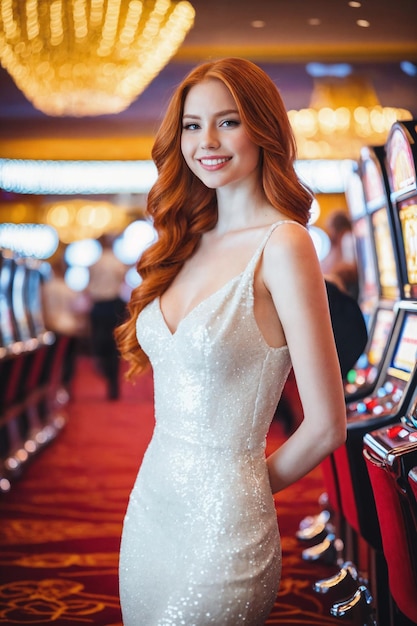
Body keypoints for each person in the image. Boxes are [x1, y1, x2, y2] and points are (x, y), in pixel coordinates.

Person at [115, 58, 347, 625]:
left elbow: (326, 425)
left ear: (263, 128)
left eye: (228, 122)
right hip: (149, 509)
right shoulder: (184, 240)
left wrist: (239, 489)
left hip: (227, 522)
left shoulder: (285, 244)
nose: (206, 142)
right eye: (192, 126)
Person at [87, 235, 127, 399]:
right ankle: (113, 382)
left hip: (98, 306)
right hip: (114, 306)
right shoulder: (119, 262)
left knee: (100, 344)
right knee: (113, 346)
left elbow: (88, 286)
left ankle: (106, 372)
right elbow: (123, 282)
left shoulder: (94, 264)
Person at [321, 209, 359, 299]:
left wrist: (332, 274)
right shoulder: (339, 243)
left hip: (355, 287)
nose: (330, 232)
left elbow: (351, 267)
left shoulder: (348, 238)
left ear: (335, 227)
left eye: (330, 228)